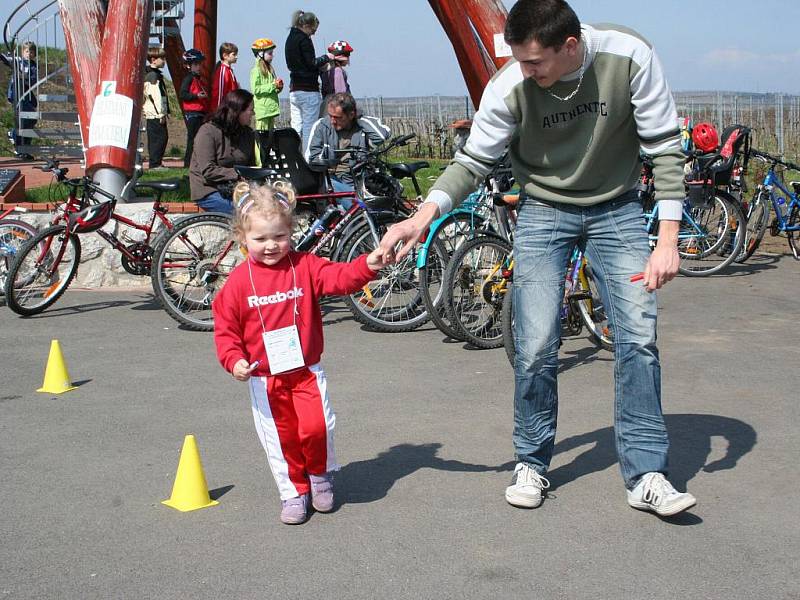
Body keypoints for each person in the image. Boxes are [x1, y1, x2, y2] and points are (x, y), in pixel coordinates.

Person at [378, 0, 696, 517]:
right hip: (544, 211)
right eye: (519, 61)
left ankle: (647, 474)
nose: (524, 72)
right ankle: (532, 461)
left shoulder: (629, 56)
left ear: (569, 46)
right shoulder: (510, 86)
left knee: (637, 337)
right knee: (536, 341)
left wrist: (666, 239)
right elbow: (472, 163)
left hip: (616, 210)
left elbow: (664, 149)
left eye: (533, 63)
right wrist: (421, 218)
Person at [212, 180, 387, 524]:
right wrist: (234, 361)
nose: (270, 245)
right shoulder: (237, 283)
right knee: (282, 439)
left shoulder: (304, 266)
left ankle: (319, 476)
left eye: (278, 236)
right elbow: (226, 331)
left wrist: (370, 262)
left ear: (290, 231)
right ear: (242, 238)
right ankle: (294, 491)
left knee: (317, 428)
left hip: (305, 370)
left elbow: (342, 277)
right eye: (259, 239)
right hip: (265, 379)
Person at [305, 92, 390, 206]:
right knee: (353, 202)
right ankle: (358, 209)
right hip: (331, 180)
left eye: (337, 117)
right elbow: (312, 159)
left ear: (351, 115)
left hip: (359, 180)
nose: (332, 121)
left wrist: (359, 119)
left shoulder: (361, 129)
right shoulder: (321, 126)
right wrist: (329, 161)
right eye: (330, 116)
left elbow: (381, 135)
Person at [189, 89, 256, 214]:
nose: (253, 113)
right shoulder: (208, 131)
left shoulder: (248, 134)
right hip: (209, 189)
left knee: (269, 207)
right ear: (237, 111)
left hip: (236, 188)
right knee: (248, 212)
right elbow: (208, 170)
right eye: (250, 110)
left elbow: (250, 167)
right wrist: (237, 174)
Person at [284, 10, 334, 151]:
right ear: (306, 25)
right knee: (309, 128)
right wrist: (326, 57)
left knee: (296, 126)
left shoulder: (290, 38)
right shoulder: (304, 39)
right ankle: (307, 158)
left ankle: (293, 155)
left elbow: (297, 64)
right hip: (308, 90)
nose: (314, 33)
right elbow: (311, 62)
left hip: (294, 89)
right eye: (313, 30)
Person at [1, 41, 38, 158]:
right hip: (17, 93)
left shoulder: (33, 65)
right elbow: (7, 60)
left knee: (31, 120)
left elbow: (33, 80)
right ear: (23, 52)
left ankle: (25, 147)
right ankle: (14, 137)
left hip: (26, 94)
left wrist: (23, 77)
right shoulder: (18, 61)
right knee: (24, 118)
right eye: (27, 51)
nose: (29, 54)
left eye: (31, 51)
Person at [179, 48, 210, 168]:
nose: (199, 67)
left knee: (198, 139)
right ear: (189, 65)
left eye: (199, 64)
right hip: (193, 113)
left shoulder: (197, 79)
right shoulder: (189, 78)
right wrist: (196, 95)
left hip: (199, 112)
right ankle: (188, 163)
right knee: (193, 139)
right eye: (196, 64)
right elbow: (183, 94)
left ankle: (194, 163)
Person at [143, 47, 170, 170]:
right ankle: (155, 164)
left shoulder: (152, 74)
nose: (164, 61)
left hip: (153, 112)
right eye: (162, 58)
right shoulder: (153, 76)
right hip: (154, 113)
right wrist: (161, 113)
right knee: (159, 138)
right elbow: (156, 96)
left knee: (161, 137)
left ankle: (157, 162)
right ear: (153, 60)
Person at [250, 38, 283, 132]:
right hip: (263, 111)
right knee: (261, 138)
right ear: (260, 54)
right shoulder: (255, 70)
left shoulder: (270, 70)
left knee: (269, 139)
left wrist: (278, 87)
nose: (272, 55)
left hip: (270, 110)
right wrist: (273, 85)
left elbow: (271, 88)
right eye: (270, 53)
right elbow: (255, 90)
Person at [318, 40, 353, 117]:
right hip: (336, 106)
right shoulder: (337, 71)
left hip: (327, 104)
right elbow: (341, 94)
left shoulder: (326, 71)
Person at [211, 42, 239, 111]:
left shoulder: (229, 70)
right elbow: (219, 91)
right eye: (234, 54)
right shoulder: (222, 70)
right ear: (225, 56)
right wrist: (218, 110)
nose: (236, 57)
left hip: (230, 108)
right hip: (224, 109)